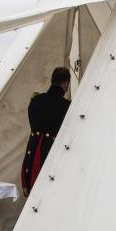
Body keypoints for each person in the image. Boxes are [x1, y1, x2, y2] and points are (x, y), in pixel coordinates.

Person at [21, 67, 71, 196]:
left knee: (33, 193)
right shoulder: (67, 106)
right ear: (66, 83)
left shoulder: (35, 100)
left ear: (52, 80)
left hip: (32, 151)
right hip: (52, 154)